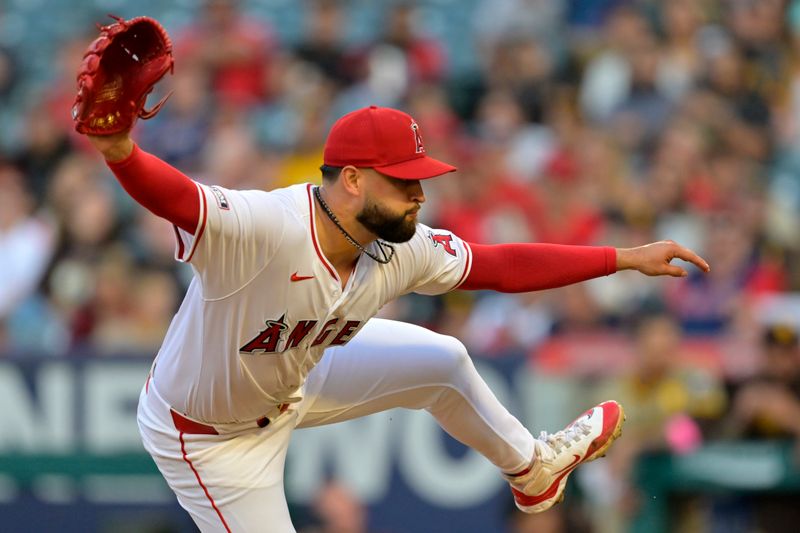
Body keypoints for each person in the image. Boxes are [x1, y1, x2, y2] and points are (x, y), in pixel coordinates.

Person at [83, 105, 709, 532]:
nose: (420, 194)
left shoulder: (400, 246)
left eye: (420, 179)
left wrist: (624, 258)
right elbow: (177, 197)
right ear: (351, 180)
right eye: (403, 181)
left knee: (444, 361)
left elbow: (502, 265)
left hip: (299, 374)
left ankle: (533, 470)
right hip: (209, 438)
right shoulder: (267, 228)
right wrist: (119, 149)